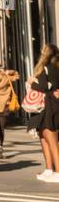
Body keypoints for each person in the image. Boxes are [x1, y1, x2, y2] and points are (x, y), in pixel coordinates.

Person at [30, 44, 59, 182]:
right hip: (51, 105)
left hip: (48, 106)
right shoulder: (56, 67)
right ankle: (49, 170)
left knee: (50, 139)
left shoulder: (46, 68)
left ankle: (57, 171)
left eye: (43, 49)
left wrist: (31, 83)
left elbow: (41, 87)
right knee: (44, 137)